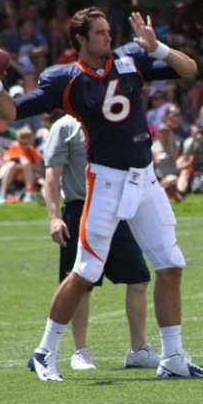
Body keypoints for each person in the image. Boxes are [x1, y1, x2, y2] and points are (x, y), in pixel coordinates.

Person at [0, 8, 203, 380]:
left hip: (145, 177)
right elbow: (11, 111)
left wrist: (157, 47)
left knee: (171, 265)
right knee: (85, 271)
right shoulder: (65, 78)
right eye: (99, 33)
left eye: (109, 31)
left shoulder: (131, 57)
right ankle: (44, 352)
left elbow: (188, 69)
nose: (108, 38)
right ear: (80, 39)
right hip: (106, 180)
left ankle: (173, 357)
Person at [43, 114, 159, 372]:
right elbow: (52, 174)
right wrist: (54, 218)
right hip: (80, 207)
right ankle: (80, 351)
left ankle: (138, 349)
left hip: (117, 209)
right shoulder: (65, 127)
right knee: (81, 283)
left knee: (138, 278)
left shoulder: (117, 118)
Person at [0, 126, 42, 204]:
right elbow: (6, 160)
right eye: (23, 137)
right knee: (12, 165)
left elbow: (39, 169)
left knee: (25, 163)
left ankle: (28, 192)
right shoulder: (14, 147)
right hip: (13, 176)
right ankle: (2, 193)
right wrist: (21, 161)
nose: (25, 140)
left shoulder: (32, 150)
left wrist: (27, 165)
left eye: (27, 137)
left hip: (28, 177)